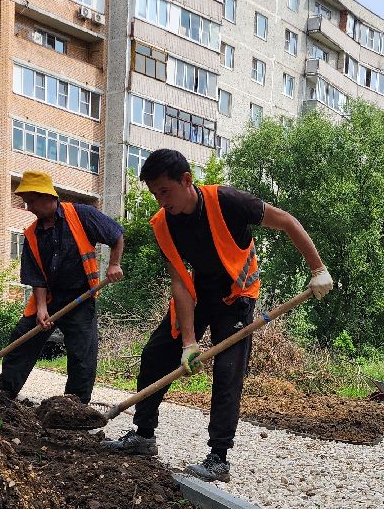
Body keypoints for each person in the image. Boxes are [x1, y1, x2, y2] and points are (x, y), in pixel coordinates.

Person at [99, 148, 333, 481]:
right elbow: (180, 282)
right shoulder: (164, 225)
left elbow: (287, 222)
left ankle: (218, 457)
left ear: (186, 180)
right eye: (154, 194)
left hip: (236, 295)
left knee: (227, 370)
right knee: (156, 353)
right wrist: (189, 343)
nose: (161, 201)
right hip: (199, 293)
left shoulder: (229, 201)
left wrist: (318, 268)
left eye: (164, 191)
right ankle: (143, 434)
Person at [0, 172, 125, 404]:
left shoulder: (82, 214)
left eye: (31, 201)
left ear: (47, 197)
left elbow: (116, 234)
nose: (29, 207)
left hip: (81, 297)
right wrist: (42, 308)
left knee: (82, 353)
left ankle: (73, 406)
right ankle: (4, 393)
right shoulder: (32, 234)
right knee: (23, 339)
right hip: (49, 297)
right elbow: (36, 277)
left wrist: (114, 264)